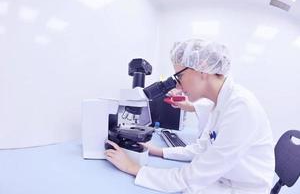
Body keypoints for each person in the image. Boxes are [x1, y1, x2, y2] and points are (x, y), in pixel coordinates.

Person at [105, 39, 275, 194]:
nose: (177, 85)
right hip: (225, 179)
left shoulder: (240, 107)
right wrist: (156, 150)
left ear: (202, 68)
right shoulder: (219, 104)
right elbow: (201, 149)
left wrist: (134, 168)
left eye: (179, 76)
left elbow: (193, 176)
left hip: (243, 189)